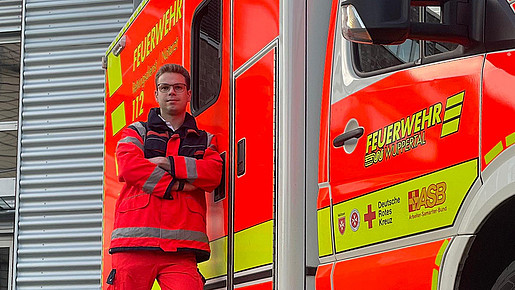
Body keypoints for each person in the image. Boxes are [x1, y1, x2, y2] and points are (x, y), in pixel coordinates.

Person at [106, 64, 223, 289]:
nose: (171, 92)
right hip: (134, 243)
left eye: (178, 87)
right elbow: (129, 167)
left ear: (188, 94)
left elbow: (213, 174)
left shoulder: (206, 139)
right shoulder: (136, 131)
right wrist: (176, 184)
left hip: (181, 249)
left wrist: (167, 162)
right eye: (165, 87)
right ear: (156, 94)